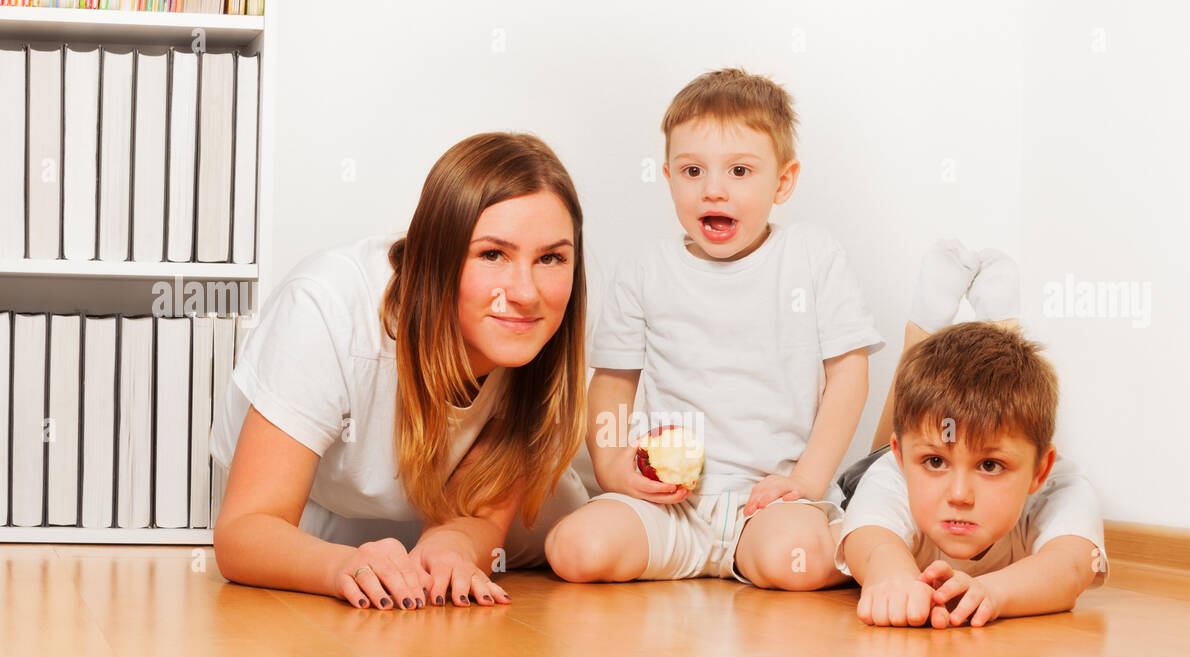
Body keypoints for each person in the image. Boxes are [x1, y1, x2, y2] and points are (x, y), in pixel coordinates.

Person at [210, 133, 590, 611]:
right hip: (313, 510)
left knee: (570, 522)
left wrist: (447, 552)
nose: (526, 292)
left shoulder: (533, 341)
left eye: (551, 258)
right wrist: (340, 568)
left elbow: (479, 506)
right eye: (492, 254)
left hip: (426, 506)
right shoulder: (327, 307)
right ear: (439, 256)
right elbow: (244, 531)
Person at [544, 67, 884, 589]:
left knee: (796, 556)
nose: (714, 192)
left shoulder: (810, 257)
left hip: (768, 503)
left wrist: (804, 481)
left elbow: (848, 376)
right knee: (574, 550)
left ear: (784, 181)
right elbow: (612, 383)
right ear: (668, 177)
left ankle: (772, 548)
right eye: (693, 171)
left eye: (740, 172)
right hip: (669, 506)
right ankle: (685, 552)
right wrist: (613, 467)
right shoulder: (645, 269)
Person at [837, 242, 1109, 628]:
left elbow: (1070, 567)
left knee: (993, 401)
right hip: (878, 465)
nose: (959, 495)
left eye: (991, 465)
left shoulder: (1061, 487)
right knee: (910, 407)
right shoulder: (891, 474)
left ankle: (1002, 332)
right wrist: (892, 577)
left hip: (933, 440)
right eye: (935, 464)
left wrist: (995, 592)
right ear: (904, 460)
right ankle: (923, 331)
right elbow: (870, 540)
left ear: (1040, 470)